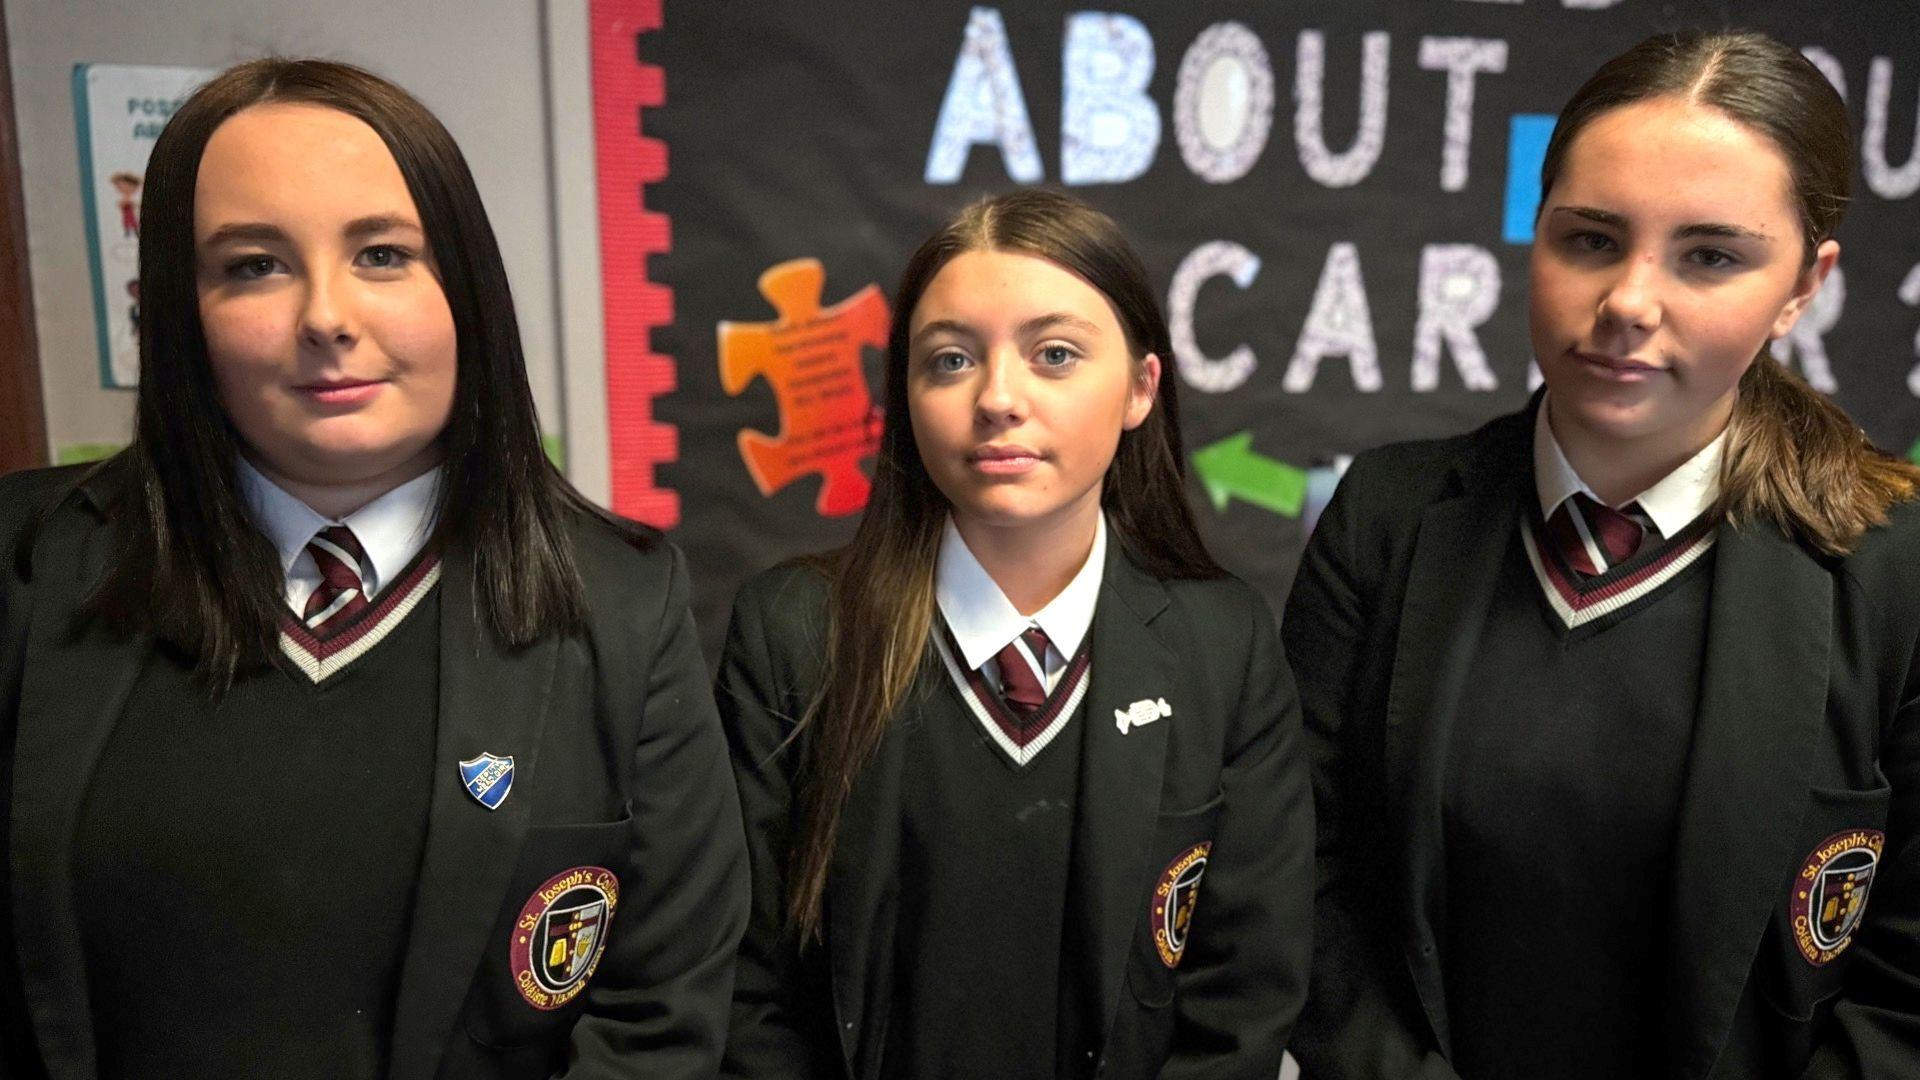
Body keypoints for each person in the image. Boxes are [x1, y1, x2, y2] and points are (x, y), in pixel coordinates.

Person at [0, 58, 746, 1080]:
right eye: (254, 264)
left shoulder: (622, 600)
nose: (326, 317)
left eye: (384, 254)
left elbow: (660, 1020)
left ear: (467, 293)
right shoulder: (29, 568)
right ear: (181, 314)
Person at [1286, 29, 1920, 1079]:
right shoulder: (1388, 513)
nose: (1630, 302)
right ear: (1533, 233)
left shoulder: (1894, 572)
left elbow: (1904, 997)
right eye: (1590, 240)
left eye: (1710, 256)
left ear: (1804, 286)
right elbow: (1303, 884)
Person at [716, 189, 1312, 1080]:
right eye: (950, 360)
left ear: (1142, 388)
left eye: (1056, 355)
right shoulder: (796, 634)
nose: (998, 398)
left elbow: (1245, 1000)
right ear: (907, 397)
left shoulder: (1223, 644)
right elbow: (745, 991)